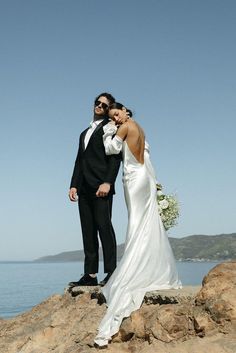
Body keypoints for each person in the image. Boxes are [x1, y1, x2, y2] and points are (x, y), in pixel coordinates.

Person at [94, 103, 182, 347]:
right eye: (113, 117)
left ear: (125, 111)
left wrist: (108, 131)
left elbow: (111, 149)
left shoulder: (124, 127)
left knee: (136, 222)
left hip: (133, 179)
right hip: (145, 175)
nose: (116, 118)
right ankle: (148, 263)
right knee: (145, 221)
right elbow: (146, 154)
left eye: (117, 114)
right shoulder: (140, 128)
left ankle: (134, 267)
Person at [68, 93, 122, 287]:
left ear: (109, 109)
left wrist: (108, 182)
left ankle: (112, 273)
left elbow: (116, 158)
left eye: (104, 104)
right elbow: (79, 160)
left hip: (102, 187)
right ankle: (90, 275)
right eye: (97, 103)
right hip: (84, 188)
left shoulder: (111, 129)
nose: (99, 106)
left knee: (104, 228)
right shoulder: (84, 133)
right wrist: (74, 184)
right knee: (88, 231)